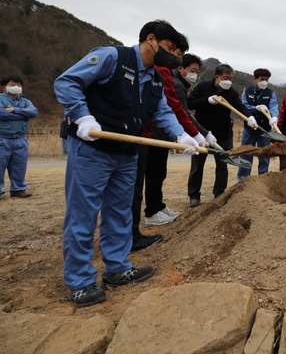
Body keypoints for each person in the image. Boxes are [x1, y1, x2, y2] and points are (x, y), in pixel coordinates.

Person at [53, 19, 201, 307]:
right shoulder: (112, 57)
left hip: (127, 152)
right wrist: (82, 115)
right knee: (83, 215)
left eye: (178, 54)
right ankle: (81, 281)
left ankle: (117, 268)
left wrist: (182, 135)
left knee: (120, 212)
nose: (173, 57)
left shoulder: (155, 78)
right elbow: (67, 81)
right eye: (170, 49)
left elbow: (162, 112)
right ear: (151, 39)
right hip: (92, 149)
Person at [131, 48, 209, 251]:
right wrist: (199, 134)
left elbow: (173, 111)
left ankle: (156, 207)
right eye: (191, 69)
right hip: (153, 136)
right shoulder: (172, 81)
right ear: (181, 68)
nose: (194, 74)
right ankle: (150, 214)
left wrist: (191, 134)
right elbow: (179, 110)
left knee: (158, 173)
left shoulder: (174, 81)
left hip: (160, 134)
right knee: (152, 175)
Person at [186, 64, 256, 207]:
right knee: (197, 166)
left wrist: (249, 117)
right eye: (226, 78)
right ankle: (194, 195)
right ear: (217, 77)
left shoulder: (231, 93)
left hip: (223, 134)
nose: (228, 81)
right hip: (202, 134)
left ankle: (219, 193)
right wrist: (207, 100)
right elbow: (189, 103)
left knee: (222, 165)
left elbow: (239, 106)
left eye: (231, 79)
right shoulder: (203, 87)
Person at [0, 75, 38, 199]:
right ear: (4, 87)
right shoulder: (1, 99)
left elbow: (33, 112)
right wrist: (23, 114)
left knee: (19, 165)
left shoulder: (26, 101)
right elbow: (1, 113)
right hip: (3, 138)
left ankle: (18, 189)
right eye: (12, 84)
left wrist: (14, 110)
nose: (16, 87)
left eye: (19, 85)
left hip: (20, 138)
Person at [238, 68, 279, 180]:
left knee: (265, 154)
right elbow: (243, 105)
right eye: (262, 79)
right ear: (255, 79)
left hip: (265, 129)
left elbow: (274, 106)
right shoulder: (247, 91)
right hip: (250, 127)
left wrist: (274, 117)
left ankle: (263, 178)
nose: (264, 82)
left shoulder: (270, 93)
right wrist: (255, 108)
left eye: (266, 79)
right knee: (246, 153)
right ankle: (243, 179)